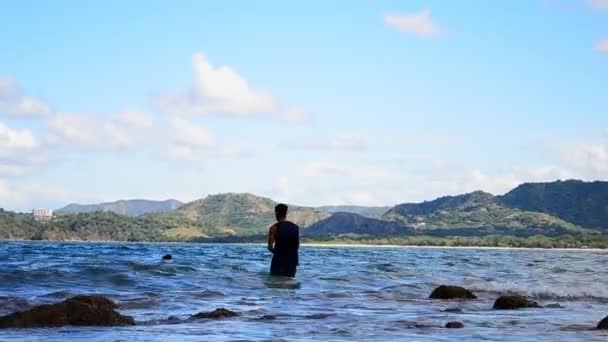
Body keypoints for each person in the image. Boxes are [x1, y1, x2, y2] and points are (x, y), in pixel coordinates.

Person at [267, 203, 300, 277]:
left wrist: (279, 253)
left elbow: (270, 247)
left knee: (275, 284)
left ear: (276, 213)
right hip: (292, 262)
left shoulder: (273, 228)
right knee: (290, 283)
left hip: (279, 262)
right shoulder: (295, 227)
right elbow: (297, 246)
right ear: (285, 213)